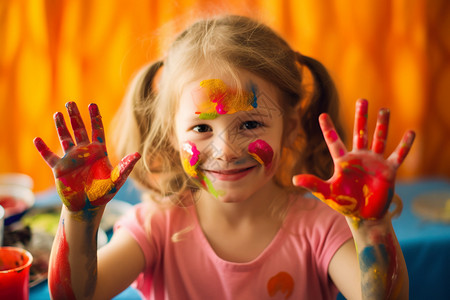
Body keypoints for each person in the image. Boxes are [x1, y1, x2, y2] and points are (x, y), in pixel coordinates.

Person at [34, 14, 415, 299]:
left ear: (292, 126)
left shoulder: (319, 229)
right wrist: (80, 218)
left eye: (250, 124)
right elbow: (76, 295)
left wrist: (371, 227)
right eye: (202, 128)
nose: (227, 150)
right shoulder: (157, 226)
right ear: (171, 133)